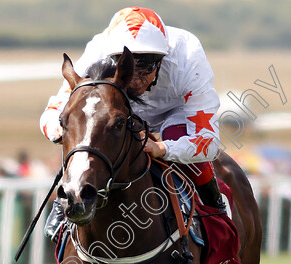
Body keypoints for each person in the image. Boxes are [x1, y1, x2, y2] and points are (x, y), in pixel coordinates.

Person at [40, 6, 224, 239]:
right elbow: (52, 112)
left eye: (145, 64)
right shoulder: (97, 52)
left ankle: (214, 204)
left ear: (161, 60)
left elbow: (209, 141)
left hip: (174, 113)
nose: (135, 77)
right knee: (89, 133)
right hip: (120, 111)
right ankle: (65, 200)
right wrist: (65, 132)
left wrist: (163, 148)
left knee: (175, 132)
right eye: (126, 63)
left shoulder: (188, 56)